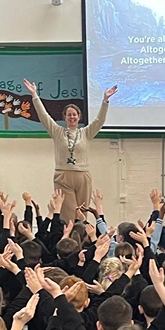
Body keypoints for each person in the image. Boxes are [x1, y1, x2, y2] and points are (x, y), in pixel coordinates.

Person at [23, 78, 118, 223]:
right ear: (65, 117)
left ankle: (82, 235)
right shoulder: (57, 132)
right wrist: (34, 95)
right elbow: (44, 116)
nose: (72, 117)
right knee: (68, 215)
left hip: (82, 176)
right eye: (69, 114)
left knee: (82, 215)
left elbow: (99, 121)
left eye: (74, 114)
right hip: (63, 176)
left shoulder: (86, 133)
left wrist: (105, 100)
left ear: (79, 117)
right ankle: (67, 236)